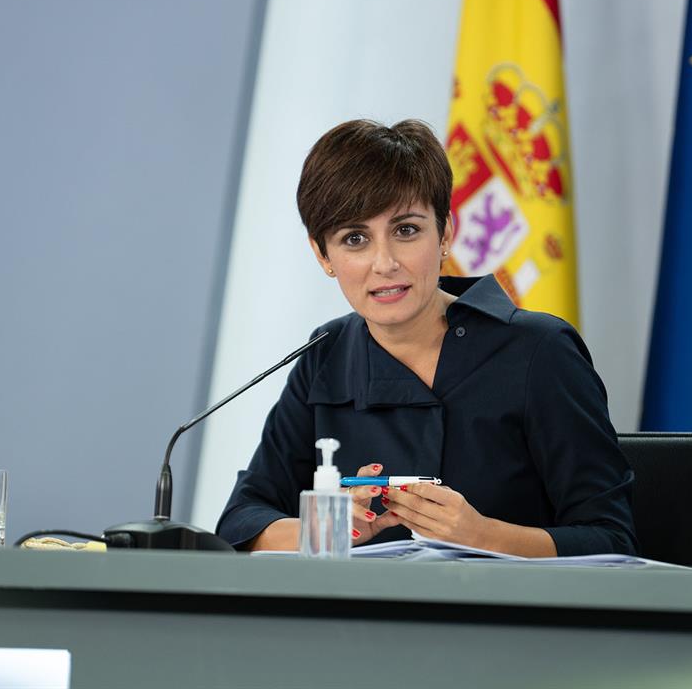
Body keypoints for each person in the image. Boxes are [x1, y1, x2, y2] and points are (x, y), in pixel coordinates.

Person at [216, 119, 637, 557]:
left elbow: (612, 539)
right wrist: (330, 527)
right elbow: (241, 520)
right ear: (323, 255)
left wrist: (483, 536)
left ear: (446, 234)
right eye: (355, 238)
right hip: (359, 623)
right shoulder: (327, 354)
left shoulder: (539, 351)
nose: (384, 263)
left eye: (406, 230)